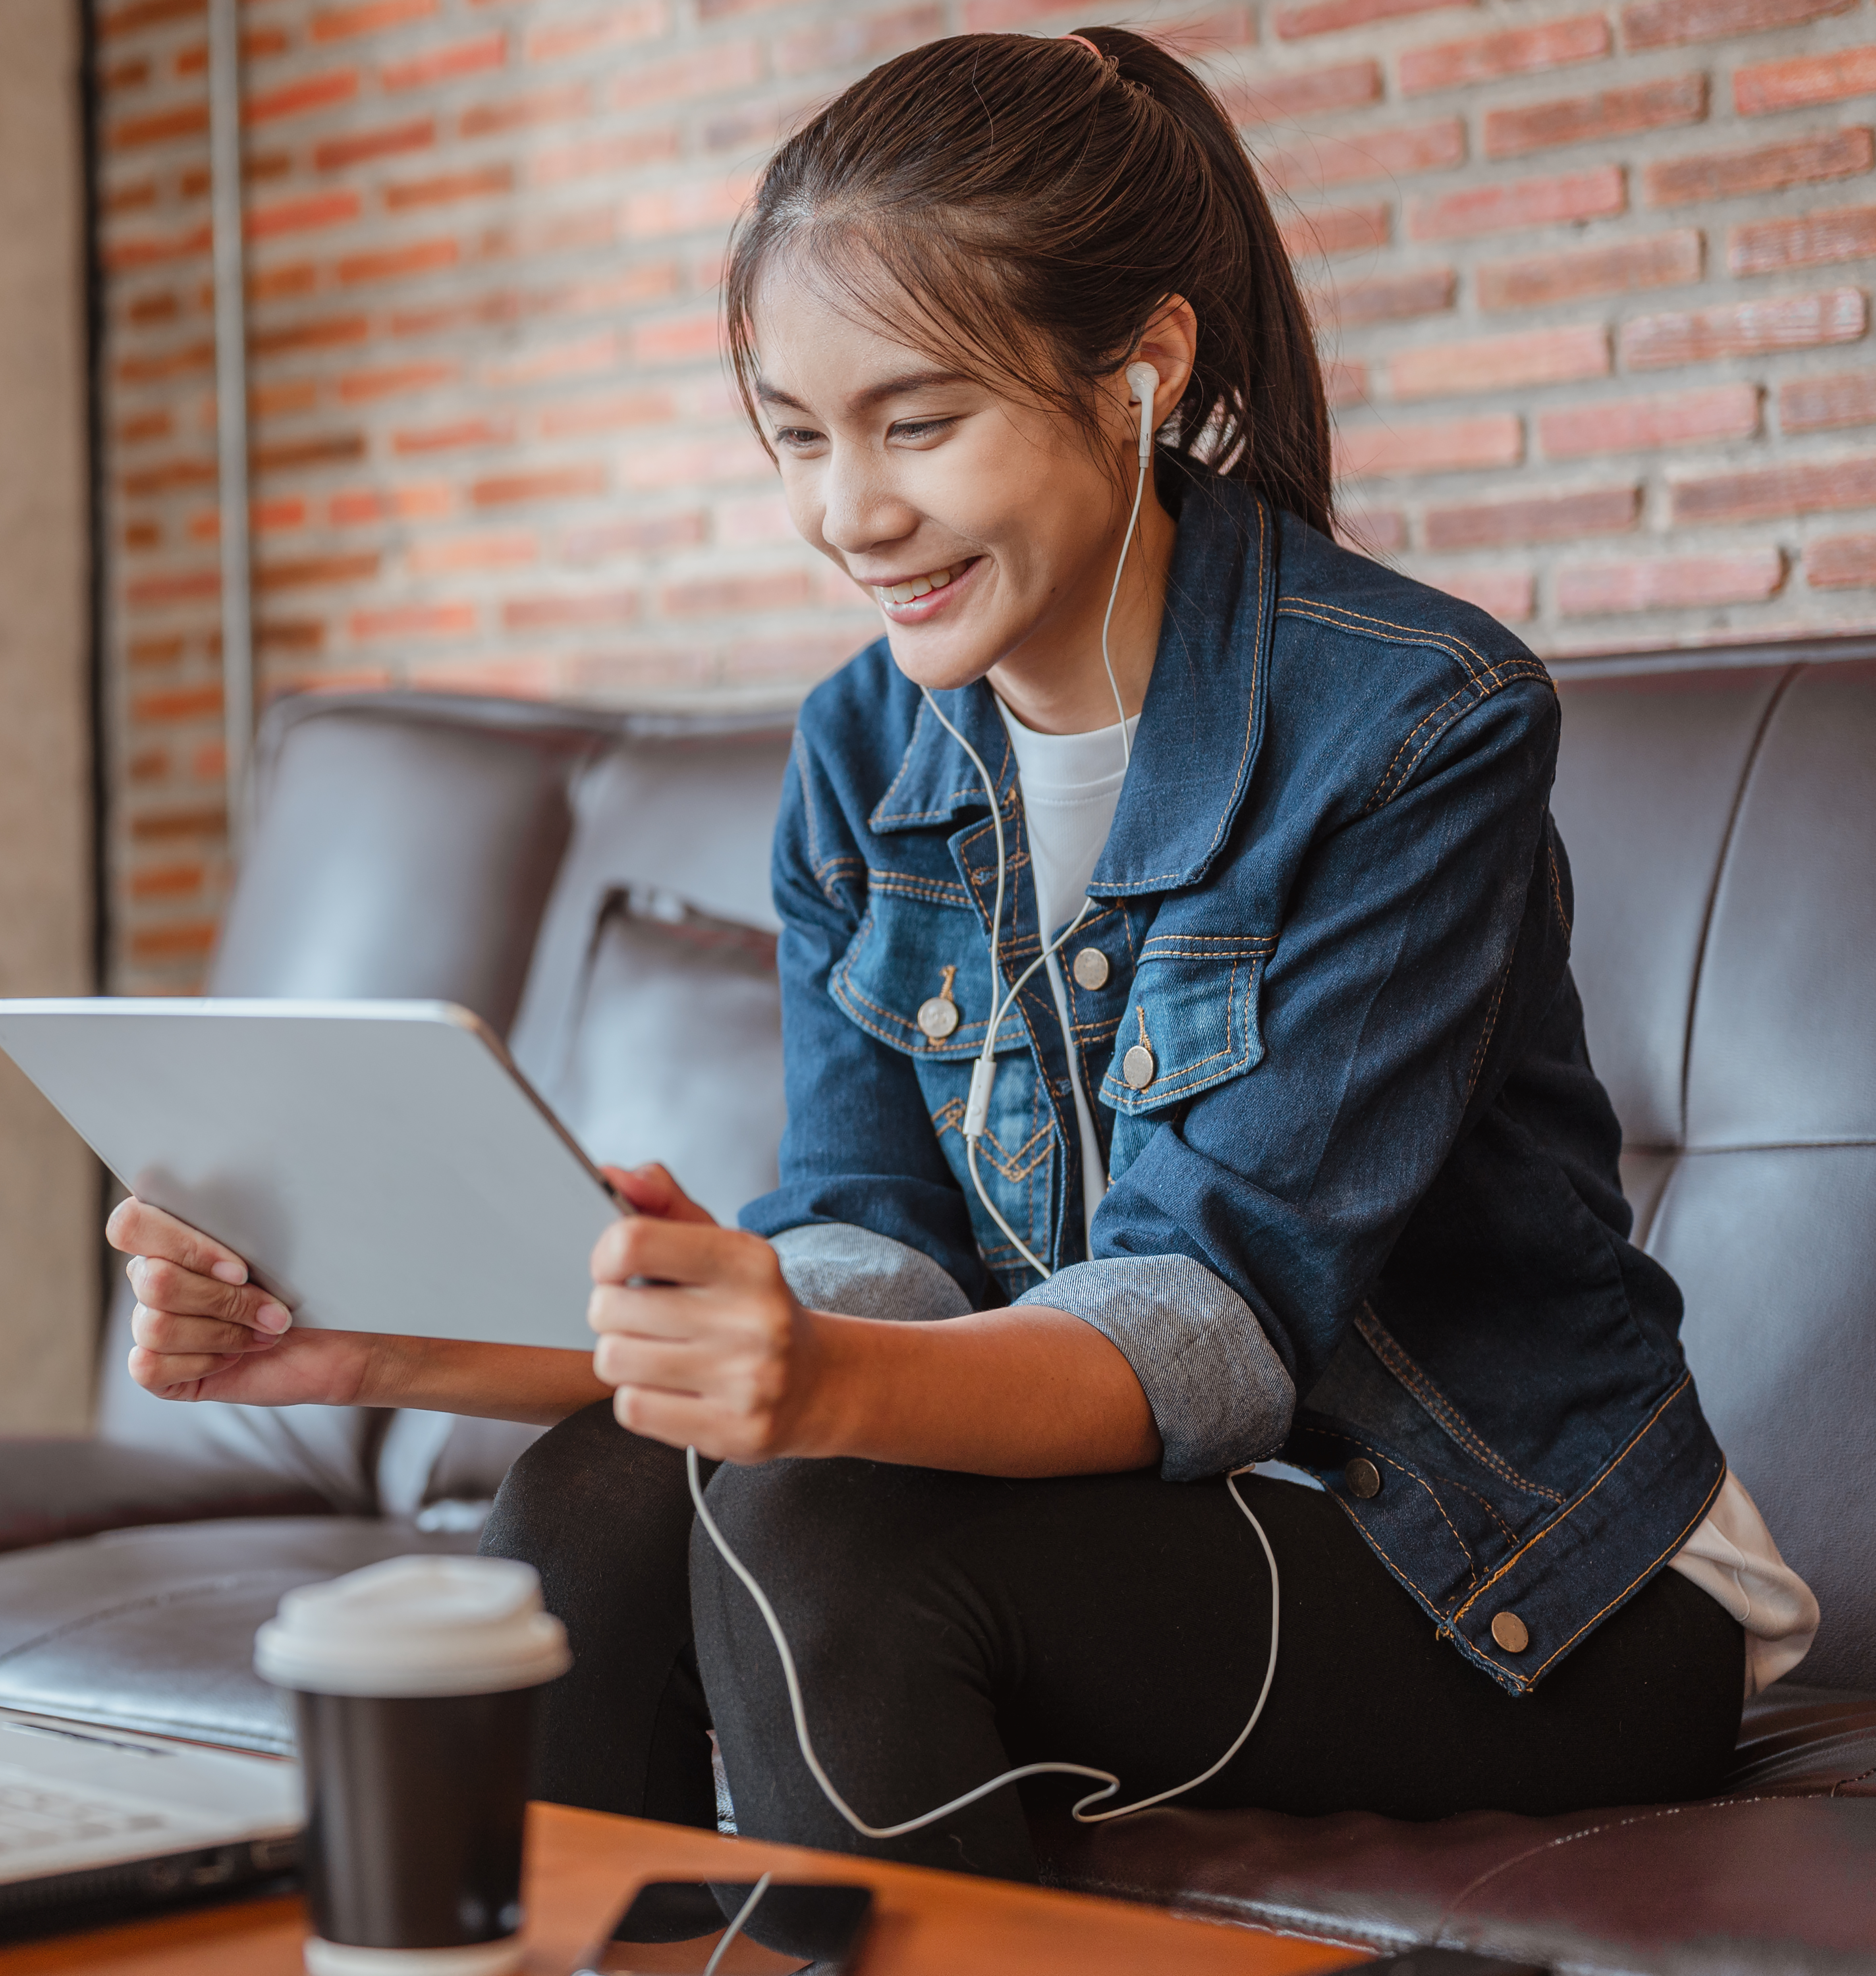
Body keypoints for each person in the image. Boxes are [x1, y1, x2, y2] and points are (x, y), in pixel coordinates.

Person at [105, 25, 1818, 1883]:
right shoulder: (863, 754)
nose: (851, 511)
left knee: (820, 1525)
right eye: (798, 436)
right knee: (590, 1499)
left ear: (1142, 368)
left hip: (1519, 1583)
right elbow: (875, 1241)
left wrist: (818, 1381)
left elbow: (1213, 1317)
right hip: (1127, 1530)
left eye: (919, 422)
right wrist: (381, 1343)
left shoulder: (1414, 728)